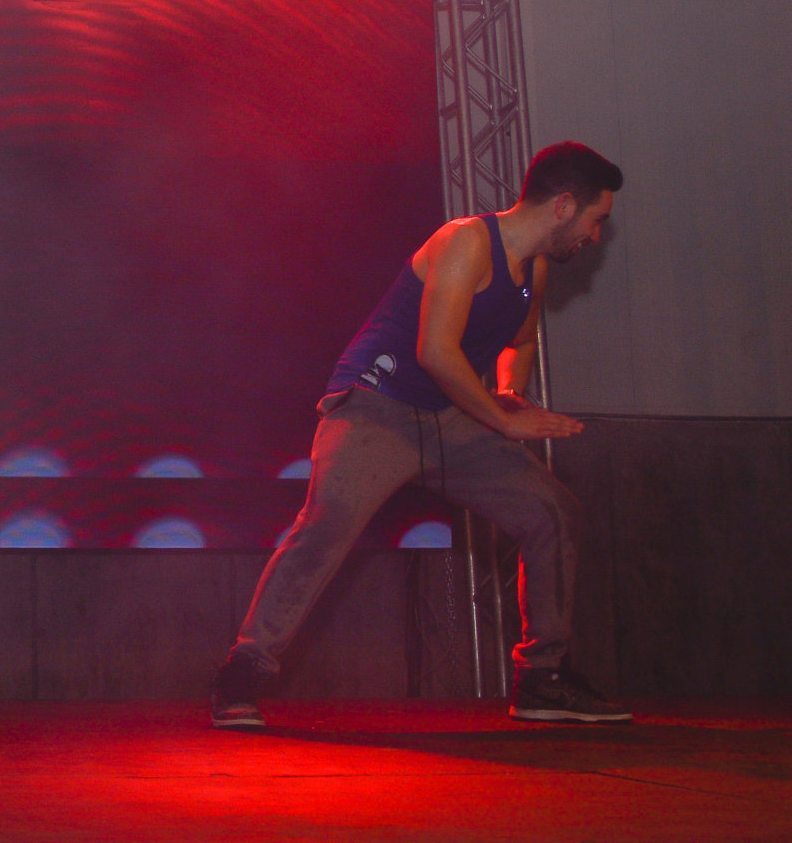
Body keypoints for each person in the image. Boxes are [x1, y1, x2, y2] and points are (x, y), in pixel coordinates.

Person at [211, 142, 629, 728]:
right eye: (595, 219)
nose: (596, 236)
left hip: (451, 416)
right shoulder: (465, 242)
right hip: (377, 407)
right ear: (563, 205)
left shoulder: (533, 270)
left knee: (553, 511)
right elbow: (435, 352)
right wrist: (504, 420)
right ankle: (244, 669)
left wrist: (508, 392)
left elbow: (519, 342)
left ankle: (542, 678)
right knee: (328, 525)